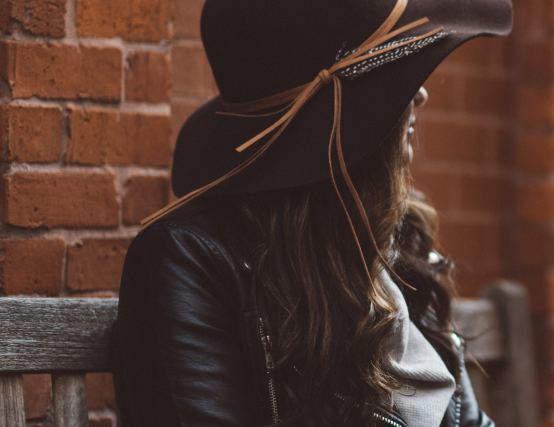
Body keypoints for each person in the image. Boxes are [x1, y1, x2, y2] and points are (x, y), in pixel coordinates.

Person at [108, 0, 512, 425]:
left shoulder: (397, 243)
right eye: (400, 77)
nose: (423, 94)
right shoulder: (191, 261)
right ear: (343, 117)